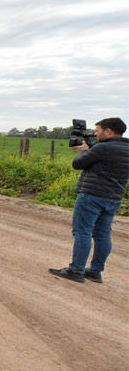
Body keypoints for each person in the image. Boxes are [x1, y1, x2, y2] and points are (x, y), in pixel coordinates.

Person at [49, 117, 128, 283]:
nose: (95, 134)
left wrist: (84, 150)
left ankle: (76, 270)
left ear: (108, 131)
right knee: (103, 235)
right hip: (114, 197)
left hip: (92, 195)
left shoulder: (102, 148)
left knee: (82, 232)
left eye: (98, 131)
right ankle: (95, 271)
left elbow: (77, 164)